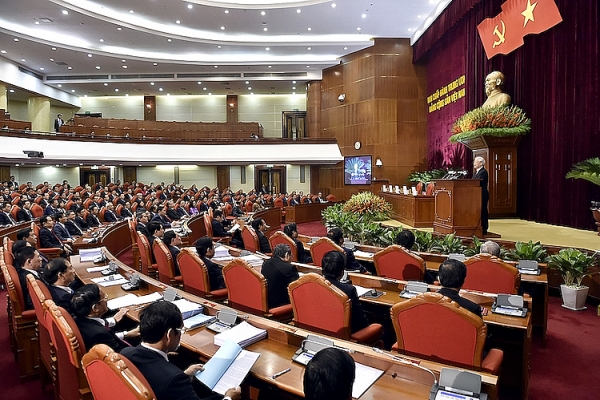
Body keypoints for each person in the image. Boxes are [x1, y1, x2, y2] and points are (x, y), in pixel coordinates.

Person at [120, 301, 241, 400]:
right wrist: (229, 398)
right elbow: (166, 382)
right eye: (180, 330)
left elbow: (155, 381)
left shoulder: (125, 354)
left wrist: (185, 375)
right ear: (170, 334)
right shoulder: (173, 379)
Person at [71, 284, 139, 352]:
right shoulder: (100, 334)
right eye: (104, 297)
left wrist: (126, 334)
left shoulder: (76, 319)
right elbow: (122, 355)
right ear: (95, 308)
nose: (107, 299)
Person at [321, 251, 370, 333]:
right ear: (342, 271)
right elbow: (362, 323)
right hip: (346, 337)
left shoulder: (312, 285)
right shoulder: (349, 290)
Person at [261, 244, 299, 308]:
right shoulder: (289, 268)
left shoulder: (266, 263)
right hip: (282, 303)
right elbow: (297, 288)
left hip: (268, 301)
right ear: (286, 255)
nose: (292, 257)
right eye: (291, 255)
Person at [14, 246, 43, 310]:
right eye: (38, 257)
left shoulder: (26, 272)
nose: (41, 259)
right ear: (29, 261)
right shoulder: (29, 280)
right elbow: (32, 303)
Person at [473, 156, 489, 235]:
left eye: (475, 162)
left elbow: (478, 183)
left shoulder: (483, 172)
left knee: (483, 212)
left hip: (482, 195)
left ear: (481, 163)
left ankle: (484, 228)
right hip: (476, 196)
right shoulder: (476, 172)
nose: (474, 163)